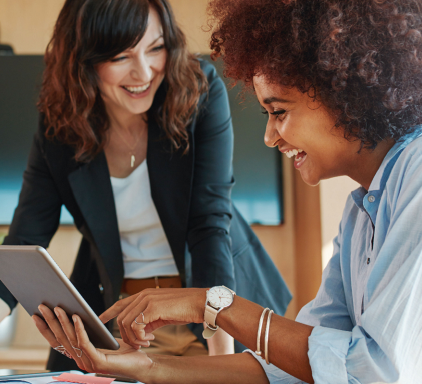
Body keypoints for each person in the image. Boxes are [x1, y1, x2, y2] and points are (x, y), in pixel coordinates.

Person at [33, 0, 422, 382]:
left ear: (342, 91)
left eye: (278, 111)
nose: (269, 137)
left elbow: (374, 375)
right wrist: (145, 370)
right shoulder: (362, 210)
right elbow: (301, 367)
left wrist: (210, 305)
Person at [0, 0, 291, 371]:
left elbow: (209, 226)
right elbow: (26, 238)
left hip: (209, 311)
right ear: (83, 60)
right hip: (118, 319)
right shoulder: (61, 123)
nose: (144, 71)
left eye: (155, 48)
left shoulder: (198, 91)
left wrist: (224, 362)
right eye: (121, 56)